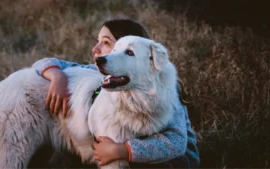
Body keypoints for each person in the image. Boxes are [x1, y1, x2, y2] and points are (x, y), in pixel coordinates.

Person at [32, 18, 200, 168]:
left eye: (106, 43)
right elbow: (44, 63)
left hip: (176, 161)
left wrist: (121, 151)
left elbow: (177, 143)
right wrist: (57, 77)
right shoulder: (105, 73)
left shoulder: (166, 91)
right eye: (98, 41)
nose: (95, 49)